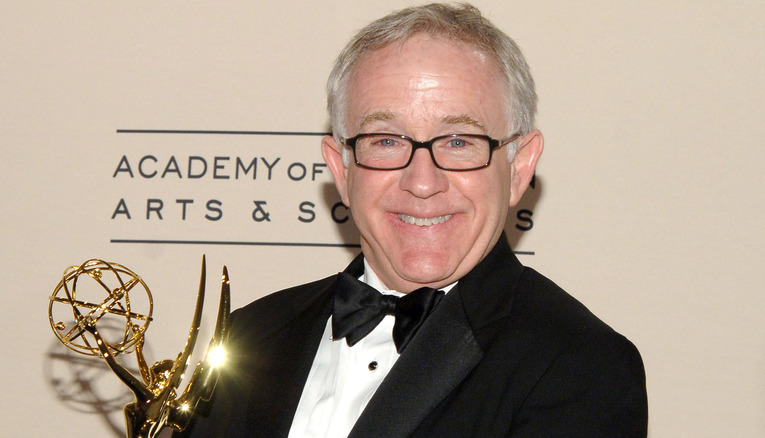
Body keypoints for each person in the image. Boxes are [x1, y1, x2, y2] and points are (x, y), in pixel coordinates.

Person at [179, 3, 647, 437]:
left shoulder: (580, 366)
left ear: (520, 167)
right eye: (386, 141)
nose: (422, 181)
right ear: (341, 169)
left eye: (459, 141)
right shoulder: (248, 336)